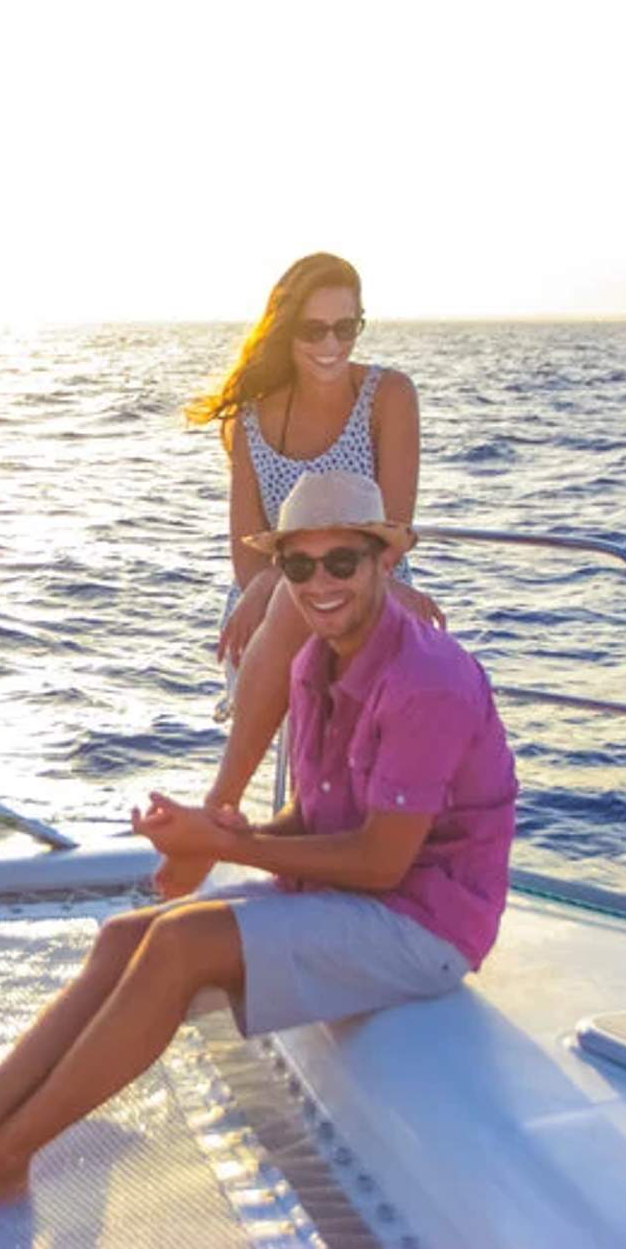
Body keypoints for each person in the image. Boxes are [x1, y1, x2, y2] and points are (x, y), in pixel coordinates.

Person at [0, 472, 518, 1216]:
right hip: (360, 896)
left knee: (182, 945)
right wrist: (208, 832)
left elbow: (382, 861)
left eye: (341, 561)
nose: (320, 583)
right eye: (298, 565)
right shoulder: (315, 660)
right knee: (126, 936)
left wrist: (226, 847)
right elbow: (318, 818)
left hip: (427, 924)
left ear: (382, 562)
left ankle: (1, 1158)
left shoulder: (427, 680)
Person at [190, 253, 440, 824]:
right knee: (296, 603)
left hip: (370, 587)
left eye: (345, 327)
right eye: (313, 329)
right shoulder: (250, 420)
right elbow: (246, 554)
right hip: (278, 597)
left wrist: (280, 579)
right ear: (286, 329)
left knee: (301, 602)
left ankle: (222, 803)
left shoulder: (387, 396)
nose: (331, 344)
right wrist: (276, 582)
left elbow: (393, 535)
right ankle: (292, 822)